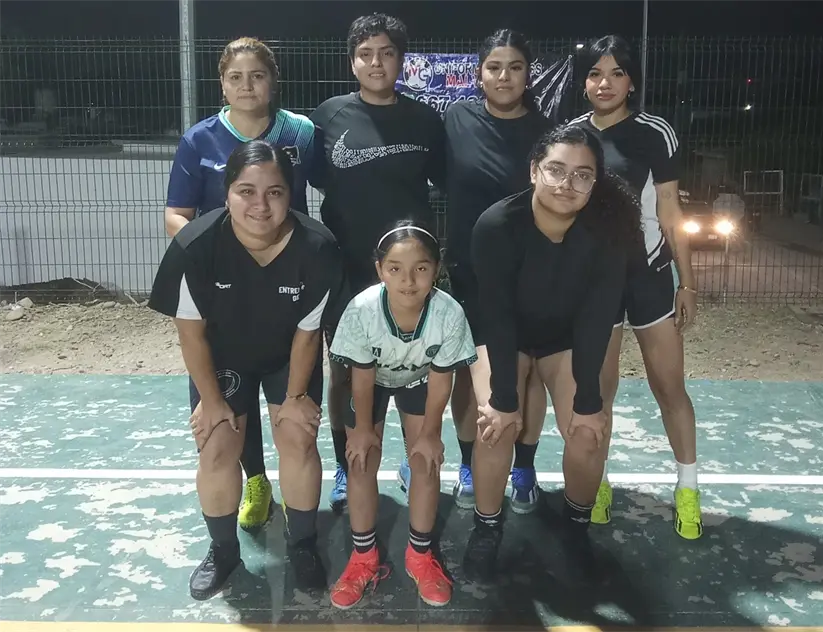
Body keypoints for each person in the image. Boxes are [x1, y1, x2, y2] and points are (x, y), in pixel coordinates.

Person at [148, 140, 342, 600]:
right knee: (216, 447)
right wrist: (212, 403)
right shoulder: (195, 246)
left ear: (290, 194)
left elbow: (308, 335)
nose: (260, 204)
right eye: (246, 191)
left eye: (274, 192)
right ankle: (223, 550)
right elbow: (191, 335)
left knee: (297, 437)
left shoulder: (318, 247)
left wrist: (296, 398)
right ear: (226, 192)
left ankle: (302, 545)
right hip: (224, 360)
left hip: (285, 358)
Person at [466, 124, 643, 584]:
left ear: (595, 183)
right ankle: (487, 528)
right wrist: (504, 399)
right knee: (495, 427)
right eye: (556, 170)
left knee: (588, 431)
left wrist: (588, 399)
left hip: (565, 339)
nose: (568, 184)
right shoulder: (497, 225)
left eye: (583, 175)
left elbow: (596, 316)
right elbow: (497, 316)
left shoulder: (607, 232)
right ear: (533, 171)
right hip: (503, 334)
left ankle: (575, 529)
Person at [163, 37, 323, 532]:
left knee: (292, 413)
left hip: (282, 277)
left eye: (257, 75)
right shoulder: (200, 139)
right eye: (236, 77)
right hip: (223, 285)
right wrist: (216, 255)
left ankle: (304, 535)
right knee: (226, 415)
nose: (247, 85)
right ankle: (254, 480)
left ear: (273, 80)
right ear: (222, 84)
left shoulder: (301, 132)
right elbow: (177, 214)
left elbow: (329, 191)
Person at [309, 13, 446, 513]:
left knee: (415, 366)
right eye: (366, 54)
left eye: (386, 53)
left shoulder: (426, 120)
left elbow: (444, 181)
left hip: (409, 273)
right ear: (352, 61)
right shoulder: (327, 118)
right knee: (346, 374)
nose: (376, 62)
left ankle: (414, 459)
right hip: (346, 269)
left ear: (401, 60)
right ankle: (350, 468)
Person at [570, 34, 702, 539]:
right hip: (594, 286)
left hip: (648, 277)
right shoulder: (570, 136)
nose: (605, 83)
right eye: (596, 74)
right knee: (598, 394)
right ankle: (596, 483)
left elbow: (670, 211)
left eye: (617, 73)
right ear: (584, 81)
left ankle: (687, 488)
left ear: (632, 81)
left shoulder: (655, 132)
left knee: (669, 387)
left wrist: (686, 282)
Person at [326, 220, 476, 609]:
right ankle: (363, 558)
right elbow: (361, 374)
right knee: (360, 461)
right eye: (395, 268)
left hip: (420, 379)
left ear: (436, 269)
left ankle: (421, 555)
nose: (408, 280)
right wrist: (360, 429)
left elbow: (443, 378)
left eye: (421, 268)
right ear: (379, 270)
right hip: (370, 381)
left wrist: (429, 433)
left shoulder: (449, 313)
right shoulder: (362, 310)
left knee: (425, 462)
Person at [440, 28, 551, 514]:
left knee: (528, 377)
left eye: (515, 67)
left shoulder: (547, 131)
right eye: (494, 67)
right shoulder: (455, 119)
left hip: (532, 271)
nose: (504, 76)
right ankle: (469, 464)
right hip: (469, 271)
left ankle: (523, 467)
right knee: (470, 374)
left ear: (529, 73)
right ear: (479, 72)